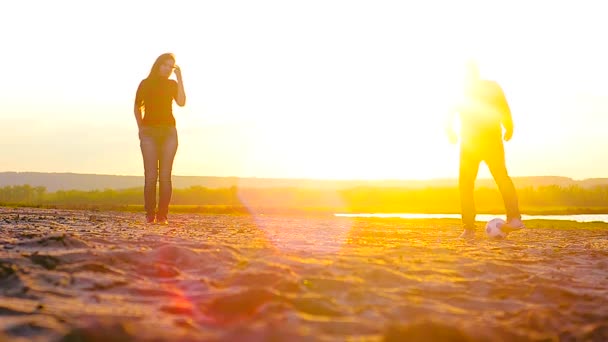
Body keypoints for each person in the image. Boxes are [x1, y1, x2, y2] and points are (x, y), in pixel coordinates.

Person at [446, 60, 525, 239]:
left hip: (488, 140)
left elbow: (502, 105)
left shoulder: (490, 87)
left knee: (499, 177)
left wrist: (509, 125)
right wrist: (449, 130)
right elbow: (450, 111)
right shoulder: (460, 90)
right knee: (467, 184)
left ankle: (513, 218)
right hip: (471, 143)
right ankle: (469, 228)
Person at [134, 53, 186, 224]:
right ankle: (150, 214)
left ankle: (162, 215)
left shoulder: (172, 84)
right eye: (165, 65)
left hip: (169, 132)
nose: (168, 69)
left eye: (171, 67)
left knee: (165, 176)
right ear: (158, 65)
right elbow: (136, 107)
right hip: (148, 132)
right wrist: (141, 128)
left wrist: (179, 78)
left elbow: (181, 102)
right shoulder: (145, 83)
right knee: (150, 176)